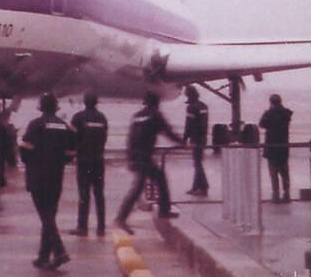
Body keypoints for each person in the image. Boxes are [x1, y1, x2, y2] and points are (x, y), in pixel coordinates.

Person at [19, 92, 76, 270]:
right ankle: (43, 256)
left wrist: (33, 163)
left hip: (37, 177)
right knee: (49, 214)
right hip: (56, 177)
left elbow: (24, 152)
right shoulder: (64, 126)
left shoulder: (35, 125)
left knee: (45, 216)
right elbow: (70, 154)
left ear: (41, 107)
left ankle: (59, 251)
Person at [114, 91, 183, 234]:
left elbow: (130, 138)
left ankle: (163, 210)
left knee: (156, 178)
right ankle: (121, 218)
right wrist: (182, 143)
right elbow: (168, 132)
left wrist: (130, 158)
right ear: (157, 103)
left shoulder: (137, 116)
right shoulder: (155, 115)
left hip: (135, 155)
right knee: (143, 185)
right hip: (145, 156)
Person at [69, 91, 108, 237]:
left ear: (84, 102)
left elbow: (71, 138)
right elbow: (104, 137)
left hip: (84, 160)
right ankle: (101, 228)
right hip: (98, 160)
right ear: (96, 102)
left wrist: (74, 153)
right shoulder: (102, 118)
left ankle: (82, 227)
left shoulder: (78, 118)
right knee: (99, 195)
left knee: (84, 194)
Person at [259, 93, 294, 203]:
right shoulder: (286, 113)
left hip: (272, 147)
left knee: (273, 173)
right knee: (284, 172)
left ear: (271, 102)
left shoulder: (269, 113)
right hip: (283, 146)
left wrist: (269, 111)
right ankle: (287, 193)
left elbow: (262, 124)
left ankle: (276, 194)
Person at [183, 86, 209, 197]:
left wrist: (185, 138)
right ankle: (197, 187)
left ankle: (203, 187)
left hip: (195, 138)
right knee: (198, 162)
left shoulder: (191, 108)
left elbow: (189, 124)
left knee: (197, 163)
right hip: (203, 137)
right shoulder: (203, 106)